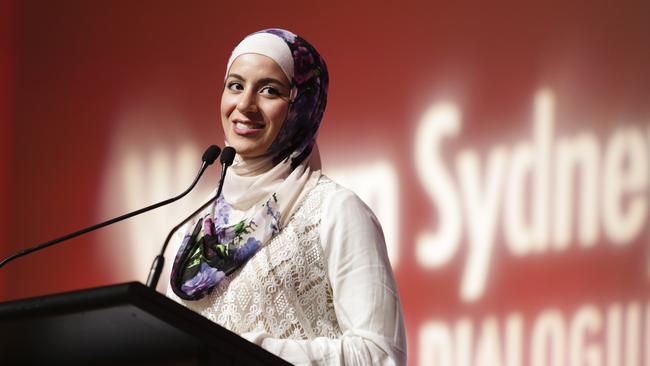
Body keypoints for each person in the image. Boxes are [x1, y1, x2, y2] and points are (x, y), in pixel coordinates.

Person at [166, 28, 406, 365]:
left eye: (269, 90)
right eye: (235, 85)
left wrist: (248, 353)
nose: (245, 105)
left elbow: (380, 355)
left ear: (303, 105)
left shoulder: (335, 211)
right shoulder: (191, 229)